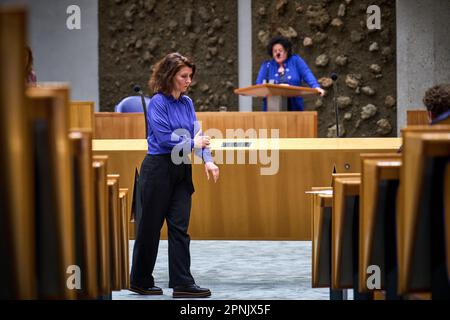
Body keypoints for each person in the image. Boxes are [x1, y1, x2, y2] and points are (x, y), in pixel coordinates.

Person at [130, 52, 219, 298]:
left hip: (180, 170)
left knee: (180, 227)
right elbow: (164, 138)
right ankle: (140, 280)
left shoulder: (187, 103)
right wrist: (193, 142)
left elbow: (198, 137)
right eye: (184, 76)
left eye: (190, 76)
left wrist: (209, 162)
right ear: (170, 76)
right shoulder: (157, 102)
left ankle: (182, 283)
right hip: (157, 169)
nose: (189, 80)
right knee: (149, 228)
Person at [256, 35, 325, 111]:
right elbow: (259, 85)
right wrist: (278, 86)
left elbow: (307, 73)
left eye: (280, 50)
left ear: (286, 51)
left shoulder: (295, 61)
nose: (277, 53)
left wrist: (315, 86)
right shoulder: (267, 66)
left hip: (294, 107)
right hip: (272, 109)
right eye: (275, 51)